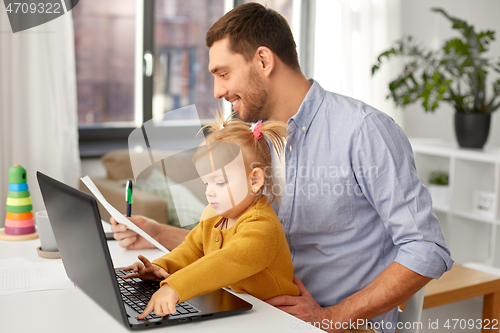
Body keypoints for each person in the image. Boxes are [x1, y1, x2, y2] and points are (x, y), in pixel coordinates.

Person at [112, 3, 453, 332]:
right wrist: (156, 234)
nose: (218, 91)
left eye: (223, 73)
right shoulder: (249, 142)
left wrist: (333, 316)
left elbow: (427, 249)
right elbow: (237, 249)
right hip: (258, 314)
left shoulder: (363, 131)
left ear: (263, 60)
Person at [122, 114, 300, 319]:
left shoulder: (262, 227)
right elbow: (192, 249)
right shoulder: (214, 213)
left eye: (220, 182)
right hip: (238, 308)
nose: (210, 192)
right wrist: (161, 267)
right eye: (206, 183)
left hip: (275, 318)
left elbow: (224, 262)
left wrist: (174, 287)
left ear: (255, 180)